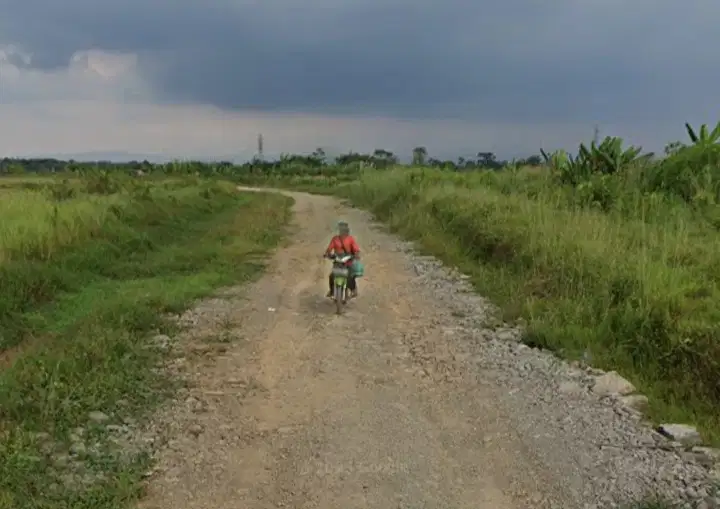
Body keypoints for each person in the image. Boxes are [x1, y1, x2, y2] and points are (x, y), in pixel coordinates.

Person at [324, 221, 361, 299]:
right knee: (332, 276)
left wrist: (356, 254)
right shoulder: (335, 239)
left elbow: (356, 249)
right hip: (337, 260)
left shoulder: (350, 239)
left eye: (344, 229)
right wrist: (327, 254)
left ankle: (353, 289)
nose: (343, 231)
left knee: (351, 275)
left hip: (348, 260)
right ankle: (332, 291)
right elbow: (329, 248)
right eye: (341, 229)